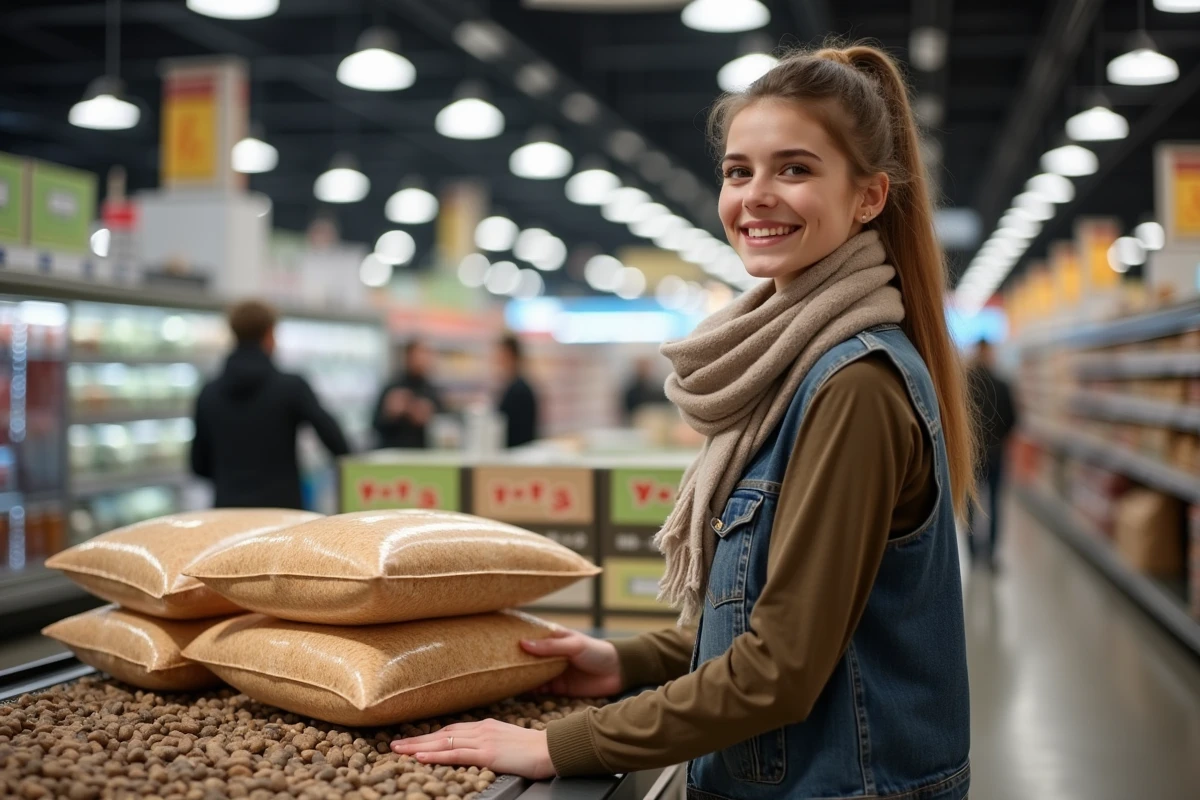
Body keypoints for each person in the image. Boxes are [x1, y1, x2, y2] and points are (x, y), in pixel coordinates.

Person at [392, 44, 976, 800]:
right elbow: (777, 613)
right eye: (739, 171)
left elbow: (780, 671)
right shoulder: (788, 366)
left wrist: (560, 745)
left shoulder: (852, 386)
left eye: (794, 169)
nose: (756, 196)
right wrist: (628, 661)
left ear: (868, 198)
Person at [191, 300, 351, 509]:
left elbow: (198, 465)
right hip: (282, 509)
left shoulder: (208, 392)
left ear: (234, 334)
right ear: (269, 335)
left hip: (228, 510)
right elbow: (335, 440)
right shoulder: (291, 387)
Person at [966, 339, 1017, 569]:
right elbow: (1013, 420)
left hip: (972, 455)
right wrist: (999, 438)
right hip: (996, 452)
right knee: (995, 502)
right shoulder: (1002, 384)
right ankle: (992, 553)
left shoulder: (966, 386)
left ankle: (972, 551)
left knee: (970, 503)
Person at [372, 340, 443, 449]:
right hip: (393, 450)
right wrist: (390, 413)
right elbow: (375, 424)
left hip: (423, 452)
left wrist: (429, 418)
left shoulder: (432, 391)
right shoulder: (392, 387)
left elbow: (444, 425)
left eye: (426, 355)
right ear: (408, 357)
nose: (422, 360)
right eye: (418, 355)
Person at [496, 333, 539, 448]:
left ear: (511, 355)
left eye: (502, 354)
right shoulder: (513, 385)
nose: (499, 358)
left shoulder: (519, 390)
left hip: (518, 451)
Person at [621, 357, 668, 423]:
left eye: (646, 366)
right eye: (641, 366)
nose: (643, 369)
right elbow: (628, 410)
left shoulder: (658, 389)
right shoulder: (631, 391)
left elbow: (664, 407)